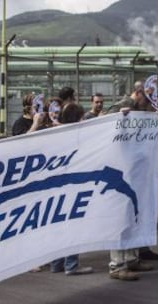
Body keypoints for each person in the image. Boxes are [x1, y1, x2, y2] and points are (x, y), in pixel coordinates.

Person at [106, 82, 157, 281]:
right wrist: (119, 115)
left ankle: (131, 257)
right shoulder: (124, 105)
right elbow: (103, 124)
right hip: (121, 171)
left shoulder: (140, 110)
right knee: (121, 218)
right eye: (148, 95)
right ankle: (117, 265)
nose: (150, 100)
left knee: (134, 215)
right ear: (138, 93)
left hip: (134, 172)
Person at [48, 94, 92, 276]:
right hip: (73, 185)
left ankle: (56, 264)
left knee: (57, 225)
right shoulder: (77, 136)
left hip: (55, 186)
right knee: (74, 224)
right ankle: (71, 265)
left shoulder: (54, 134)